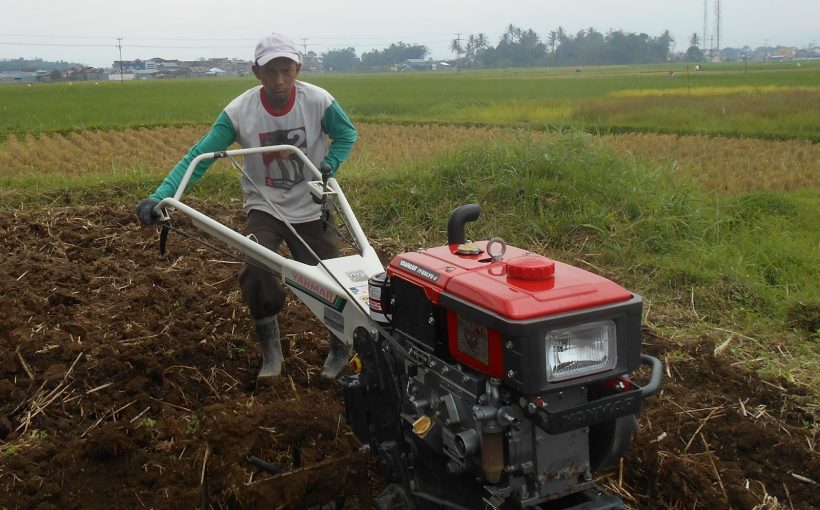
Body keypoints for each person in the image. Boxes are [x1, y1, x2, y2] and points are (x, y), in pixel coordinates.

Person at [135, 33, 358, 385]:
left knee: (333, 278)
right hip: (265, 207)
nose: (280, 80)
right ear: (256, 72)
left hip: (312, 205)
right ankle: (272, 354)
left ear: (298, 68)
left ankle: (340, 348)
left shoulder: (319, 101)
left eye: (287, 70)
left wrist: (329, 164)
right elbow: (198, 156)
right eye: (271, 72)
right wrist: (161, 196)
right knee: (256, 273)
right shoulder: (239, 112)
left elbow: (347, 134)